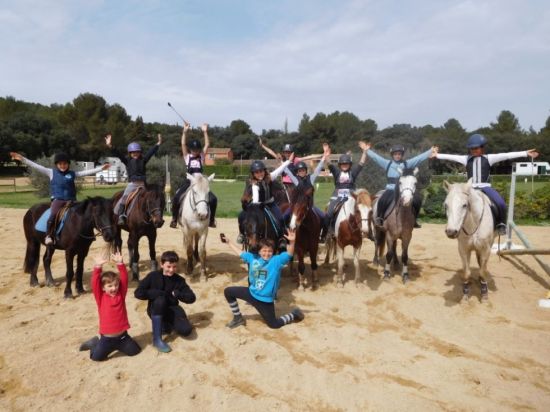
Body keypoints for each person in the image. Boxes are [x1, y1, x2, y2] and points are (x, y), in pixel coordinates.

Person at [436, 134, 539, 235]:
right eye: (472, 149)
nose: (474, 150)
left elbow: (506, 155)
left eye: (476, 148)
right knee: (457, 204)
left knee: (501, 203)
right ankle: (455, 224)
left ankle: (501, 224)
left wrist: (525, 153)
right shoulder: (465, 159)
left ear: (482, 148)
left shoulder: (489, 158)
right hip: (470, 189)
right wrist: (436, 155)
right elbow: (451, 157)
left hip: (485, 187)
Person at [9, 151, 109, 245]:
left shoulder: (72, 174)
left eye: (65, 164)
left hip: (72, 201)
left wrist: (101, 168)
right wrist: (22, 159)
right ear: (57, 165)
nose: (62, 166)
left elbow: (86, 172)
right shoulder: (51, 172)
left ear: (68, 164)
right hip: (58, 200)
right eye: (60, 164)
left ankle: (88, 234)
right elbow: (36, 166)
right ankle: (48, 235)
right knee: (53, 214)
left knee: (83, 215)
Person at [220, 230, 304, 329]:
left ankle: (293, 314)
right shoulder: (253, 258)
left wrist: (292, 242)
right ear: (259, 251)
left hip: (265, 300)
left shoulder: (276, 261)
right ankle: (238, 318)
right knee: (228, 292)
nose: (267, 253)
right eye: (264, 250)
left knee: (274, 324)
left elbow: (289, 254)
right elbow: (240, 253)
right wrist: (229, 242)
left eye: (270, 251)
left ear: (273, 252)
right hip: (251, 293)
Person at [79, 251, 141, 361]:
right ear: (103, 288)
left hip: (122, 338)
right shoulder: (101, 297)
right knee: (96, 357)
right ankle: (94, 342)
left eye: (116, 285)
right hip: (106, 339)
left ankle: (122, 345)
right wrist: (98, 266)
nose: (114, 288)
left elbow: (125, 280)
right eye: (110, 286)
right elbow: (94, 283)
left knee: (135, 351)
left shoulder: (121, 294)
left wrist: (120, 264)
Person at [134, 251, 196, 353]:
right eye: (168, 266)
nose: (171, 270)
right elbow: (138, 293)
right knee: (160, 300)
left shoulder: (179, 280)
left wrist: (179, 295)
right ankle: (157, 340)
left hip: (172, 308)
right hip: (156, 309)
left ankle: (168, 325)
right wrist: (157, 293)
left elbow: (192, 298)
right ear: (162, 265)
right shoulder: (153, 276)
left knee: (186, 331)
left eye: (174, 267)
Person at [365, 143, 438, 228]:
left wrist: (430, 151)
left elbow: (418, 159)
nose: (397, 156)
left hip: (403, 190)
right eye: (395, 154)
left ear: (402, 155)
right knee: (382, 200)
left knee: (417, 199)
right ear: (392, 155)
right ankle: (380, 218)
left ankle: (414, 220)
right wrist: (367, 150)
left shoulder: (407, 164)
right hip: (390, 189)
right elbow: (376, 158)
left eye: (399, 154)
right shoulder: (387, 164)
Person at [105, 133, 162, 226]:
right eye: (133, 152)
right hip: (132, 184)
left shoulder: (143, 160)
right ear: (130, 153)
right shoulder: (127, 161)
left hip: (143, 185)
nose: (135, 153)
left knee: (152, 197)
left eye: (137, 152)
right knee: (124, 198)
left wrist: (158, 144)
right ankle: (121, 216)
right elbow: (118, 154)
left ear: (140, 152)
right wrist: (110, 146)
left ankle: (154, 215)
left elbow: (150, 153)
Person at [236, 155, 294, 244]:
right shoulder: (254, 184)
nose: (260, 174)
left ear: (264, 171)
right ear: (253, 174)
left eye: (261, 171)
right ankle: (242, 234)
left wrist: (288, 161)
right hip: (258, 205)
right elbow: (255, 198)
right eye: (257, 172)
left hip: (270, 204)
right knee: (241, 216)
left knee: (280, 218)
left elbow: (280, 169)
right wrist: (255, 207)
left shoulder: (270, 177)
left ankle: (282, 238)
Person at [170, 122, 218, 228]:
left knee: (214, 199)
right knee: (177, 197)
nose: (195, 151)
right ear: (190, 150)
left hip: (200, 182)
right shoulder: (187, 157)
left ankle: (212, 220)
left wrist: (205, 132)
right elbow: (183, 144)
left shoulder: (201, 156)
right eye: (193, 150)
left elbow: (207, 145)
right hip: (190, 182)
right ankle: (174, 219)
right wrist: (184, 131)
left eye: (197, 150)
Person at [319, 142, 368, 243]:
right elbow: (329, 163)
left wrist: (365, 152)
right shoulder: (337, 172)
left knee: (364, 210)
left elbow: (361, 164)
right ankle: (325, 233)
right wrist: (326, 154)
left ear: (350, 165)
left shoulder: (353, 173)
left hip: (351, 196)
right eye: (342, 164)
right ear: (340, 165)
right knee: (328, 212)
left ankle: (368, 230)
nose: (344, 165)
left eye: (346, 164)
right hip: (337, 195)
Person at [282, 143, 331, 223]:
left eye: (303, 170)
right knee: (283, 217)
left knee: (324, 217)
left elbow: (318, 169)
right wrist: (283, 161)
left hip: (310, 207)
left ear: (306, 171)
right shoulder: (296, 180)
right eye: (300, 171)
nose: (302, 172)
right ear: (297, 172)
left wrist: (324, 157)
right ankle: (283, 232)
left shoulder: (311, 178)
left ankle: (323, 234)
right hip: (297, 206)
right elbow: (287, 171)